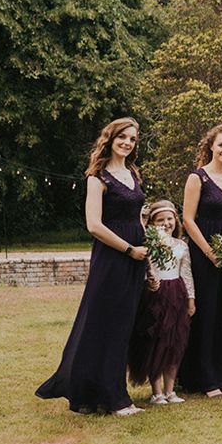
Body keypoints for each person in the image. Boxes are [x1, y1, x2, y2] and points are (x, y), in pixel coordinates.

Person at [36, 117, 148, 415]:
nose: (127, 143)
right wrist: (128, 249)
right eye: (122, 137)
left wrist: (149, 245)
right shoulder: (97, 178)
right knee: (105, 322)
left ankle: (108, 390)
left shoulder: (132, 173)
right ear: (110, 139)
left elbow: (137, 216)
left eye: (133, 139)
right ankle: (113, 398)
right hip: (114, 257)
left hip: (137, 256)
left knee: (124, 324)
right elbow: (94, 225)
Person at [178, 123, 222, 397]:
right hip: (204, 251)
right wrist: (210, 253)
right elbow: (187, 219)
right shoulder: (198, 178)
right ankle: (203, 377)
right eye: (221, 145)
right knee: (206, 312)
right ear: (211, 146)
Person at [128, 200, 195, 405]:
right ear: (151, 223)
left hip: (176, 293)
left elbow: (187, 274)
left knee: (175, 342)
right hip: (155, 296)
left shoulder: (181, 246)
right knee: (156, 341)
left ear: (176, 220)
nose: (166, 223)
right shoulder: (149, 245)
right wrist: (149, 280)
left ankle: (170, 390)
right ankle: (156, 391)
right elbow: (142, 271)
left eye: (169, 219)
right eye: (160, 220)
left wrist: (191, 299)